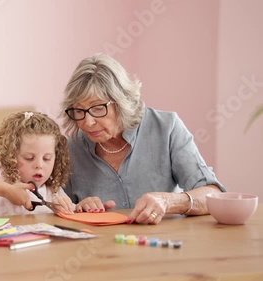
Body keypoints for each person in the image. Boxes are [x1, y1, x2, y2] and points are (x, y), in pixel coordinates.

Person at [60, 53, 226, 225]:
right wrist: (77, 208)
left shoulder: (166, 128)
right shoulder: (72, 148)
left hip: (164, 246)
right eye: (79, 111)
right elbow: (58, 210)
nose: (87, 122)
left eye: (97, 108)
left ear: (121, 101)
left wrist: (169, 202)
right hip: (102, 249)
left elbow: (213, 195)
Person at [0, 111, 74, 216]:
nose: (39, 165)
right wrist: (7, 190)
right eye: (29, 158)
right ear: (10, 154)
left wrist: (68, 206)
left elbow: (71, 212)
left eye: (47, 158)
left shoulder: (52, 189)